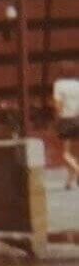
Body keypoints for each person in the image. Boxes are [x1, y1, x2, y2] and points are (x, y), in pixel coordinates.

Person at [53, 61, 79, 190]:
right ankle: (69, 181)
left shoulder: (59, 85)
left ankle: (77, 170)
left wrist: (57, 119)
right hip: (78, 118)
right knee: (76, 153)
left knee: (66, 154)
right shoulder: (77, 84)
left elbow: (58, 104)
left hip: (66, 119)